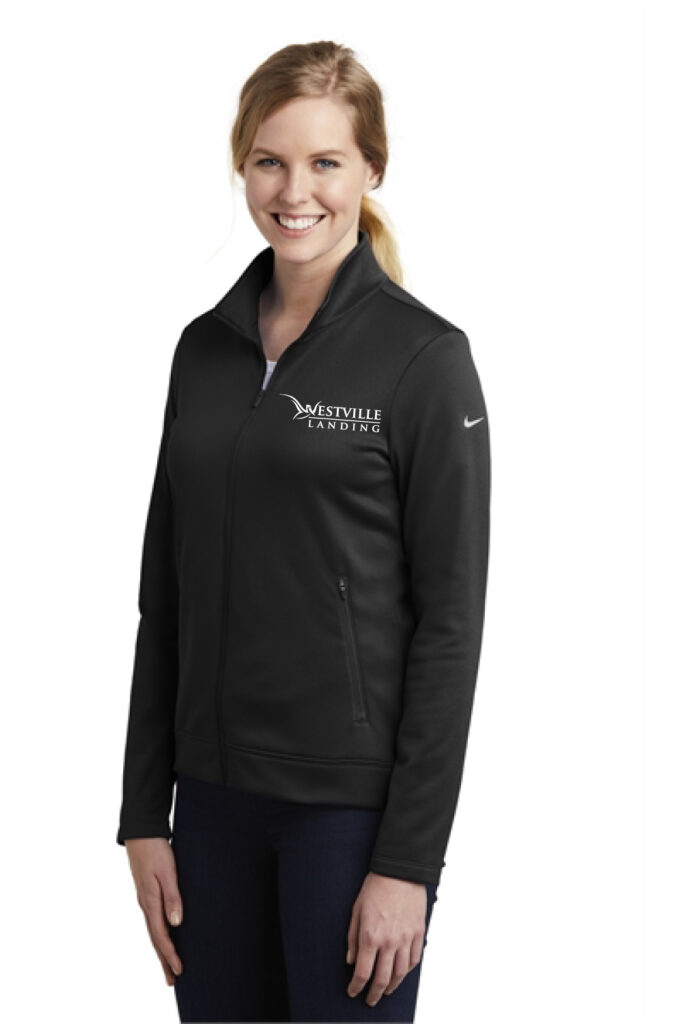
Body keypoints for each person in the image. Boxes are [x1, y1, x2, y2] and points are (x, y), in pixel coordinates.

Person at [117, 40, 491, 1023]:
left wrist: (407, 863)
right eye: (269, 161)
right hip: (208, 809)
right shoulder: (204, 351)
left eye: (325, 161)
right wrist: (143, 812)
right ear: (241, 165)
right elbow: (166, 593)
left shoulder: (425, 360)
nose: (295, 192)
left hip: (349, 821)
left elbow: (450, 626)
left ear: (372, 168)